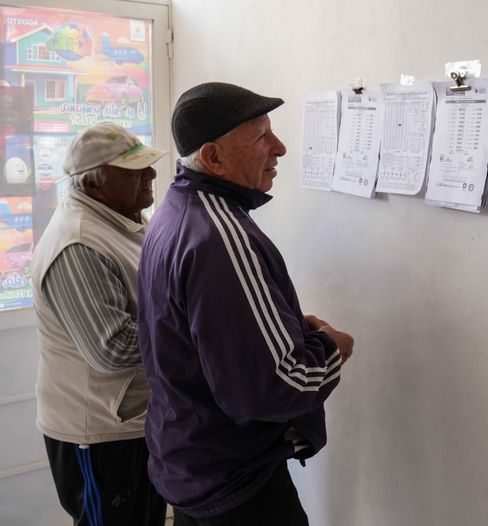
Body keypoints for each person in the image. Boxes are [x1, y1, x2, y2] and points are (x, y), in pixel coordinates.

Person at [137, 82, 355, 525]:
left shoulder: (176, 210)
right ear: (214, 156)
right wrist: (334, 346)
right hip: (236, 485)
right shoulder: (220, 236)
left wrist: (285, 325)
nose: (280, 148)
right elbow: (276, 385)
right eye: (261, 137)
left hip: (192, 462)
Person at [31, 122, 168, 526]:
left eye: (148, 165)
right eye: (134, 171)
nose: (152, 176)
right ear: (93, 182)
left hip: (134, 422)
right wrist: (198, 328)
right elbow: (113, 348)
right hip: (98, 433)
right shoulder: (77, 242)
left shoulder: (122, 217)